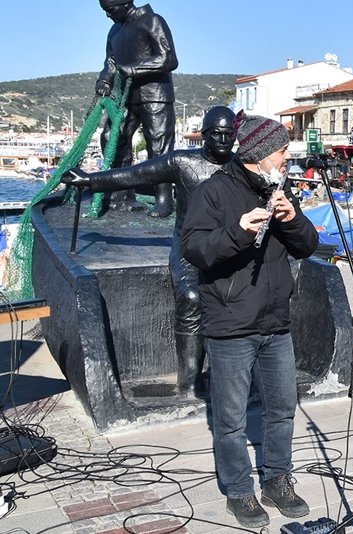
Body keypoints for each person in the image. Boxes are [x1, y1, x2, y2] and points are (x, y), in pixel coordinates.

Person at [181, 113, 318, 527]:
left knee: (283, 409)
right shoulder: (213, 191)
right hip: (231, 323)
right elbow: (196, 250)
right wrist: (239, 230)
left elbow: (307, 246)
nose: (288, 156)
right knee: (230, 419)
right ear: (261, 153)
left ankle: (277, 480)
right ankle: (239, 490)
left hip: (275, 321)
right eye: (282, 150)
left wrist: (292, 220)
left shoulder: (279, 189)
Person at [62, 106, 236, 397]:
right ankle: (190, 379)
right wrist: (91, 181)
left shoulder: (241, 166)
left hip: (228, 246)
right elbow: (136, 175)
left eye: (229, 135)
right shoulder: (182, 162)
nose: (223, 140)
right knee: (191, 297)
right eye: (217, 134)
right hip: (190, 247)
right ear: (205, 135)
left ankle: (233, 374)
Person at [96, 0, 179, 218]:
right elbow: (110, 63)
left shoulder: (152, 21)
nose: (108, 15)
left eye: (110, 9)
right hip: (126, 97)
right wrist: (104, 80)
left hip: (155, 96)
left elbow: (168, 59)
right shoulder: (114, 32)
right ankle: (122, 195)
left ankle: (164, 201)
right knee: (112, 138)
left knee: (158, 147)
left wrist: (132, 69)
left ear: (124, 4)